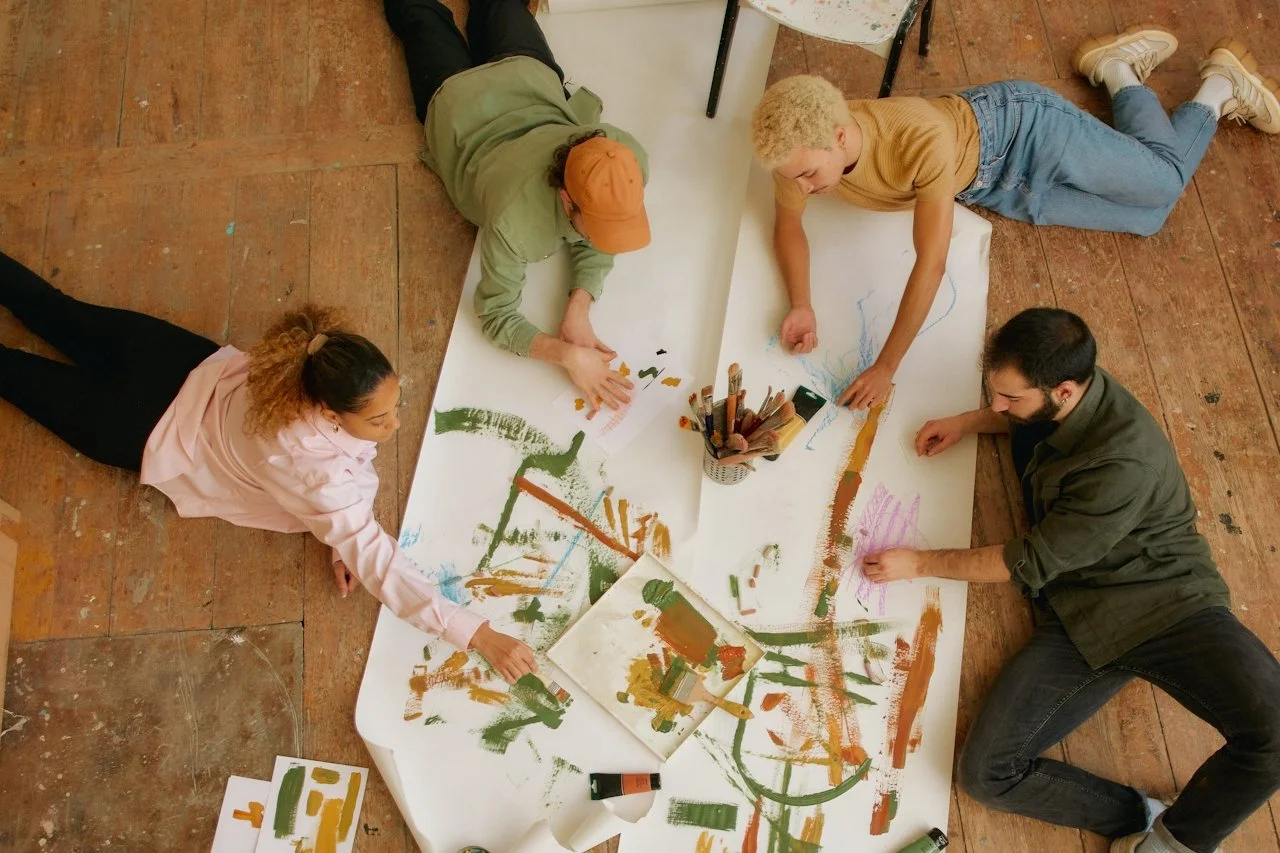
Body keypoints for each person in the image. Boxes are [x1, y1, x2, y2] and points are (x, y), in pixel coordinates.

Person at [0, 251, 536, 683]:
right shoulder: (308, 467)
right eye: (377, 419)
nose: (393, 426)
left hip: (166, 359)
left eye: (394, 407)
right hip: (136, 426)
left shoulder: (302, 365)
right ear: (327, 412)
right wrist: (478, 634)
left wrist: (341, 531)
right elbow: (377, 562)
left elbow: (347, 496)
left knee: (52, 308)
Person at [862, 308, 1280, 853]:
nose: (998, 407)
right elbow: (1017, 423)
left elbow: (1026, 562)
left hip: (1166, 604)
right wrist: (969, 422)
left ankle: (1171, 846)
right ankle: (1138, 814)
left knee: (1273, 731)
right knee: (985, 774)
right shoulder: (1063, 395)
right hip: (1076, 609)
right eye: (996, 393)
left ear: (1063, 391)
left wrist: (917, 564)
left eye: (1011, 400)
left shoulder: (1124, 463)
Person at [750, 28, 1280, 411]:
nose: (801, 188)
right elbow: (789, 226)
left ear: (839, 137)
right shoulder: (798, 153)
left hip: (1025, 129)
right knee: (1151, 217)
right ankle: (1117, 69)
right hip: (992, 186)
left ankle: (1211, 84)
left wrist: (886, 367)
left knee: (1165, 181)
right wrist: (801, 303)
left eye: (807, 175)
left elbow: (930, 264)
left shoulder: (918, 138)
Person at [384, 0, 650, 416]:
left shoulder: (624, 157)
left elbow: (600, 230)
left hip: (530, 81)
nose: (604, 240)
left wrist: (578, 307)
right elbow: (495, 314)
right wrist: (564, 354)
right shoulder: (515, 222)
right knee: (418, 13)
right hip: (461, 106)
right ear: (565, 199)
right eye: (591, 226)